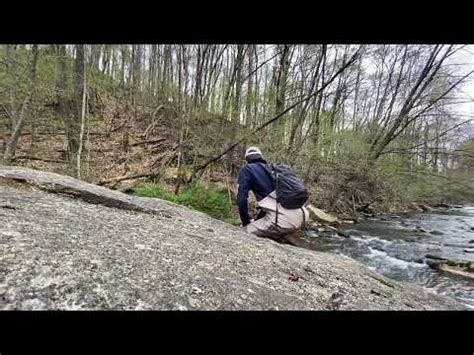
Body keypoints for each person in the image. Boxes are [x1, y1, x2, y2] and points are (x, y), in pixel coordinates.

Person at [236, 146, 309, 243]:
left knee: (243, 233)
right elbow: (272, 203)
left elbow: (241, 200)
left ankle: (282, 231)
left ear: (246, 159)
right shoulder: (273, 170)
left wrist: (246, 222)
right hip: (303, 215)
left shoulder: (247, 170)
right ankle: (285, 234)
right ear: (261, 156)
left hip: (285, 219)